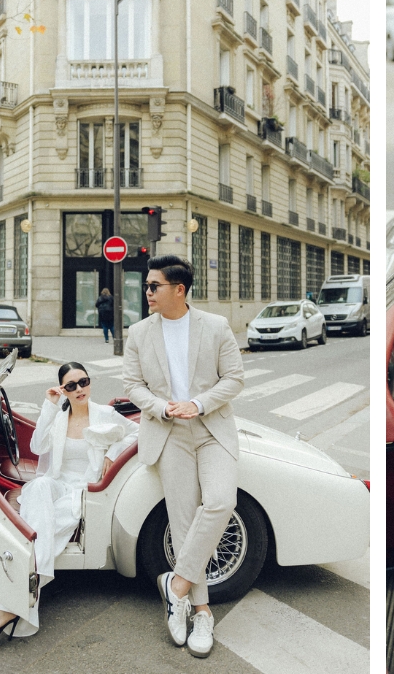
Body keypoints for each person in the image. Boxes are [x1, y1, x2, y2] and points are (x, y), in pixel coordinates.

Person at [122, 255, 244, 658]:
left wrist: (199, 403)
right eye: (146, 286)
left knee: (221, 501)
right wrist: (161, 407)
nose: (147, 293)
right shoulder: (138, 332)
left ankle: (176, 587)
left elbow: (234, 378)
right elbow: (133, 385)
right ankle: (202, 611)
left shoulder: (216, 326)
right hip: (167, 432)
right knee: (183, 521)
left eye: (153, 286)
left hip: (210, 428)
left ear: (179, 289)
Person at [0, 362, 138, 639]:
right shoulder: (59, 418)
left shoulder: (105, 414)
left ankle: (13, 604)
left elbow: (136, 433)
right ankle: (23, 595)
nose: (79, 389)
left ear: (89, 381)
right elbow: (37, 447)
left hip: (82, 491)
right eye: (71, 386)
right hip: (58, 484)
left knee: (46, 524)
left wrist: (114, 451)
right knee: (37, 488)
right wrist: (49, 406)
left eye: (83, 382)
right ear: (64, 390)